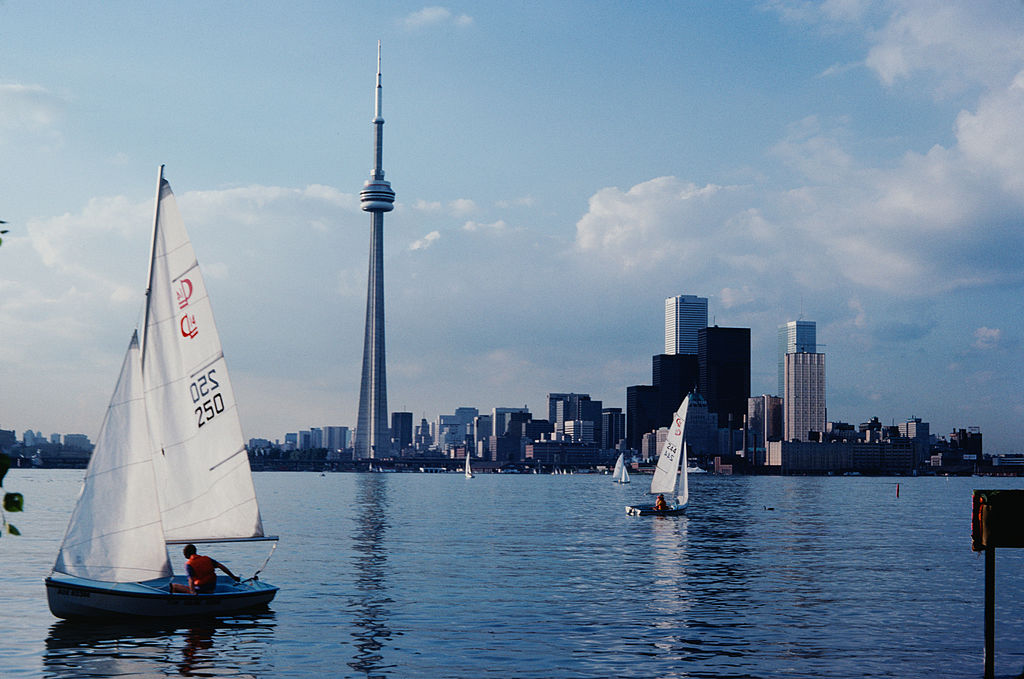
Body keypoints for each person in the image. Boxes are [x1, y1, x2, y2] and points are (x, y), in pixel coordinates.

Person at [170, 543, 241, 594]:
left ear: (186, 555)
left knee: (173, 586)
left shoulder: (189, 564)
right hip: (211, 589)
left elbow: (190, 580)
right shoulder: (207, 559)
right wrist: (233, 577)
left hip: (200, 591)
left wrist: (192, 592)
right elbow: (221, 566)